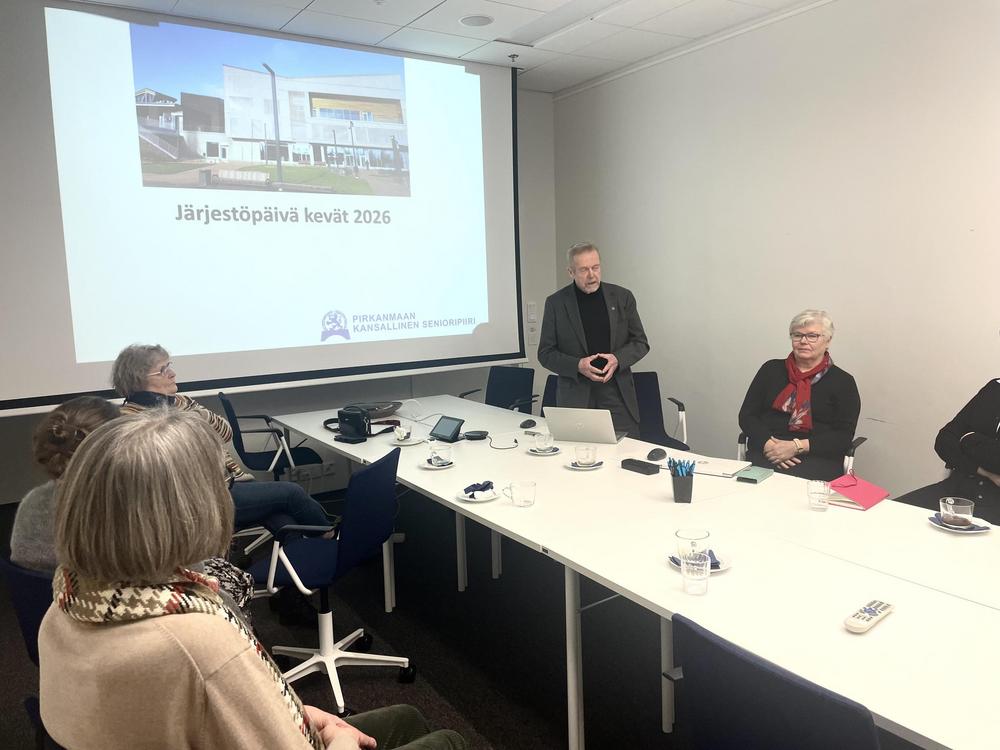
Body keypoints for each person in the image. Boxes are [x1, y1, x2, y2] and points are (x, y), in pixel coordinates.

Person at [39, 409, 467, 750]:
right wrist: (337, 739)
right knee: (449, 740)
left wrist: (298, 713)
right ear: (194, 510)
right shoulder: (197, 640)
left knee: (408, 718)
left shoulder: (66, 606)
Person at [10, 395, 255, 625]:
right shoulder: (128, 511)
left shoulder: (31, 502)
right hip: (139, 619)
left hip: (57, 620)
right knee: (235, 580)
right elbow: (187, 574)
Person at [111, 344, 331, 533]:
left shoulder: (181, 401)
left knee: (284, 520)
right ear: (138, 380)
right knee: (292, 493)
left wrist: (186, 410)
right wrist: (176, 415)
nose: (172, 374)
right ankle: (330, 538)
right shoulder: (129, 420)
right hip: (203, 498)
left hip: (232, 481)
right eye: (163, 370)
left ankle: (297, 561)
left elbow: (225, 433)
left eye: (170, 366)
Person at [537, 242, 649, 437]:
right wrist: (578, 365)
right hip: (576, 397)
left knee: (627, 451)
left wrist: (617, 359)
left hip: (617, 394)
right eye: (584, 270)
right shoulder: (556, 303)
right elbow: (545, 353)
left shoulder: (622, 297)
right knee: (576, 451)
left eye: (595, 267)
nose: (592, 275)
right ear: (571, 272)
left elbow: (640, 343)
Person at [738, 310, 861, 481]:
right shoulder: (770, 369)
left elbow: (843, 435)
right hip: (767, 452)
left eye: (812, 336)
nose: (803, 341)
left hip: (816, 456)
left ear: (828, 340)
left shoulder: (843, 381)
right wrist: (769, 445)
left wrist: (796, 447)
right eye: (797, 335)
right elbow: (747, 416)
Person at [895, 381, 1000, 524]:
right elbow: (943, 441)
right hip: (956, 488)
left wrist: (969, 440)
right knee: (887, 515)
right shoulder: (994, 388)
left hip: (994, 502)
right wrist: (986, 472)